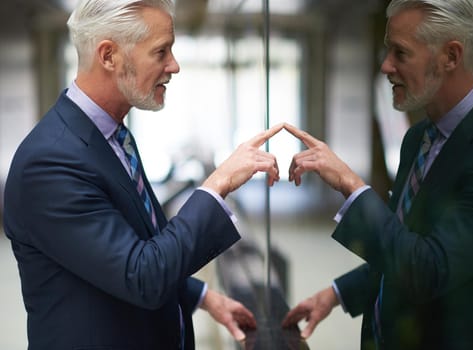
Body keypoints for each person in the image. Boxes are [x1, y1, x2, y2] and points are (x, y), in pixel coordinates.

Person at [2, 1, 284, 349]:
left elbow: (126, 247)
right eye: (161, 52)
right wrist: (217, 185)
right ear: (109, 56)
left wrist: (202, 296)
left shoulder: (113, 136)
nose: (174, 66)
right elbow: (140, 275)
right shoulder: (49, 164)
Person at [281, 0, 473, 349]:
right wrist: (336, 294)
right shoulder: (418, 138)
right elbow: (402, 247)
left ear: (451, 56)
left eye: (401, 53)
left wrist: (352, 185)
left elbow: (428, 270)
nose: (385, 65)